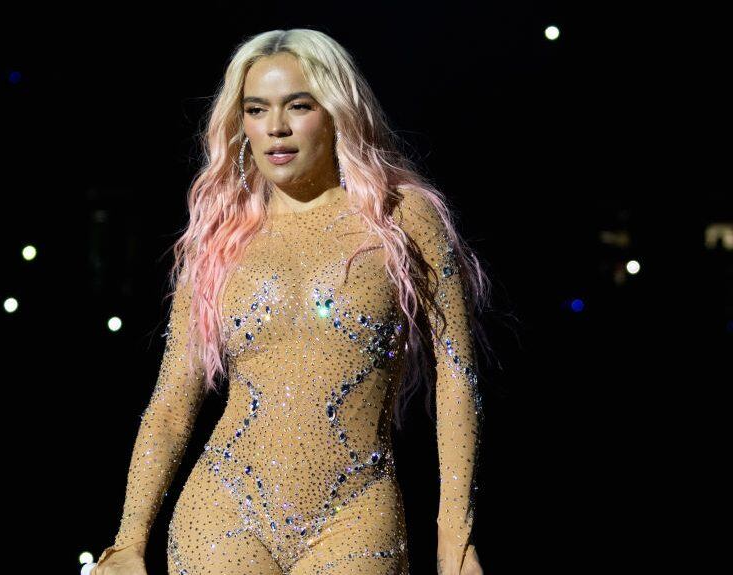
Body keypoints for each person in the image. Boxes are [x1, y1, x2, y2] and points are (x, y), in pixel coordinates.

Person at [92, 28, 489, 575]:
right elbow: (172, 400)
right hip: (222, 513)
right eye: (257, 109)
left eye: (297, 106)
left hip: (356, 517)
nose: (276, 127)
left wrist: (455, 538)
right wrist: (130, 539)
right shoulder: (218, 237)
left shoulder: (401, 218)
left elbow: (456, 378)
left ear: (335, 111)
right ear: (241, 124)